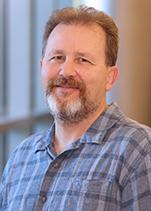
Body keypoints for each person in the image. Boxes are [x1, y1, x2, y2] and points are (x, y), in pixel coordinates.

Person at [0, 5, 151, 211]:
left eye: (83, 60)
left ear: (110, 78)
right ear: (42, 66)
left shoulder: (139, 151)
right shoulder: (21, 158)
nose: (66, 71)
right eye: (57, 57)